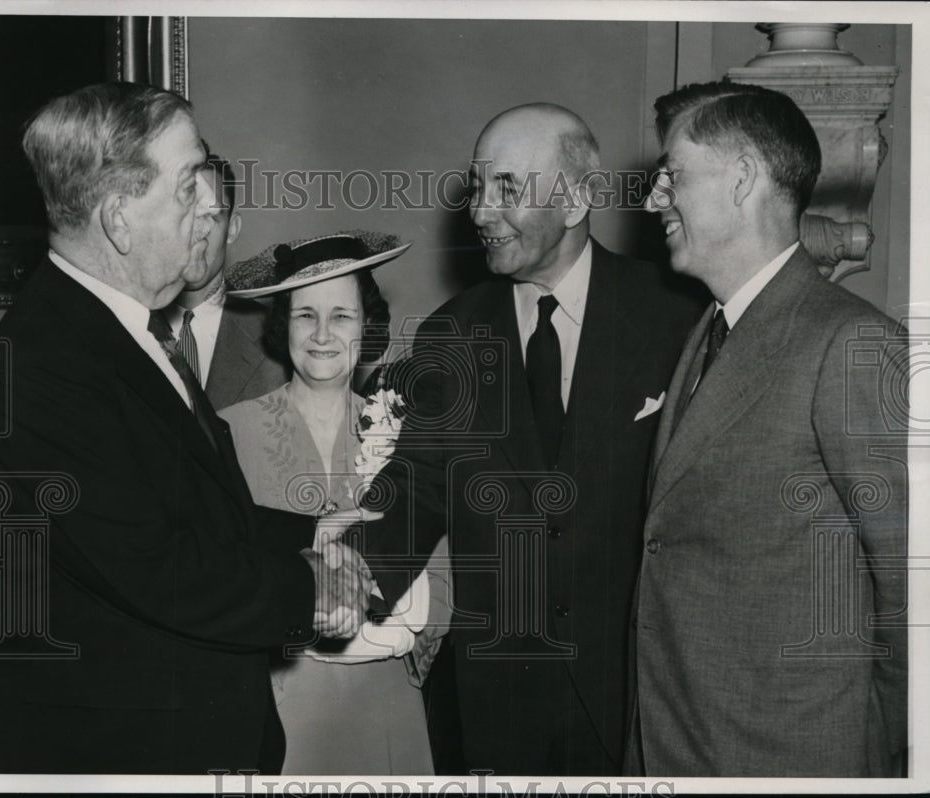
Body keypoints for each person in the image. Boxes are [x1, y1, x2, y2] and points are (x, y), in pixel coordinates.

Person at [0, 82, 371, 775]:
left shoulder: (114, 329)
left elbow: (176, 505)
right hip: (127, 756)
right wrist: (310, 589)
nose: (213, 203)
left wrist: (306, 531)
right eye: (189, 186)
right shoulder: (43, 367)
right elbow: (157, 565)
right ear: (120, 220)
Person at [358, 103, 701, 775]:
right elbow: (420, 485)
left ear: (576, 198)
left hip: (636, 698)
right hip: (499, 706)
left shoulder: (675, 320)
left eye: (506, 189)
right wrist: (350, 568)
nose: (481, 213)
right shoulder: (452, 333)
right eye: (478, 190)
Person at [628, 80, 908, 777]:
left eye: (672, 176)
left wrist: (866, 754)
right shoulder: (706, 333)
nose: (652, 198)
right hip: (675, 747)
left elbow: (914, 590)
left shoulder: (852, 344)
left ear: (744, 177)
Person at [219, 232, 450, 775]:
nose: (322, 334)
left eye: (341, 315)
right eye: (305, 316)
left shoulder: (407, 437)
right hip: (276, 710)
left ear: (367, 325)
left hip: (386, 707)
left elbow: (444, 575)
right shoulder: (229, 431)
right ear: (283, 326)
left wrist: (399, 629)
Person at [168, 151, 287, 410]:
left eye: (210, 217)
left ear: (232, 229)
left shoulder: (277, 338)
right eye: (183, 216)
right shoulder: (124, 325)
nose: (194, 233)